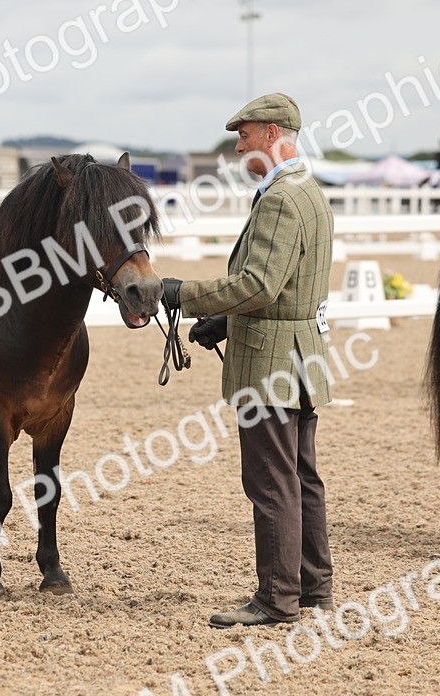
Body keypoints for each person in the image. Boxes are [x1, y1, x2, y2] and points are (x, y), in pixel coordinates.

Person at [160, 93, 335, 628]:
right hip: (301, 355)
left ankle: (277, 599)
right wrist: (226, 321)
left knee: (271, 481)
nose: (239, 148)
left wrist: (182, 293)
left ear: (273, 134)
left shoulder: (281, 198)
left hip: (272, 364)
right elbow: (288, 286)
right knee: (301, 476)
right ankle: (314, 588)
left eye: (245, 136)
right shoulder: (309, 191)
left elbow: (259, 284)